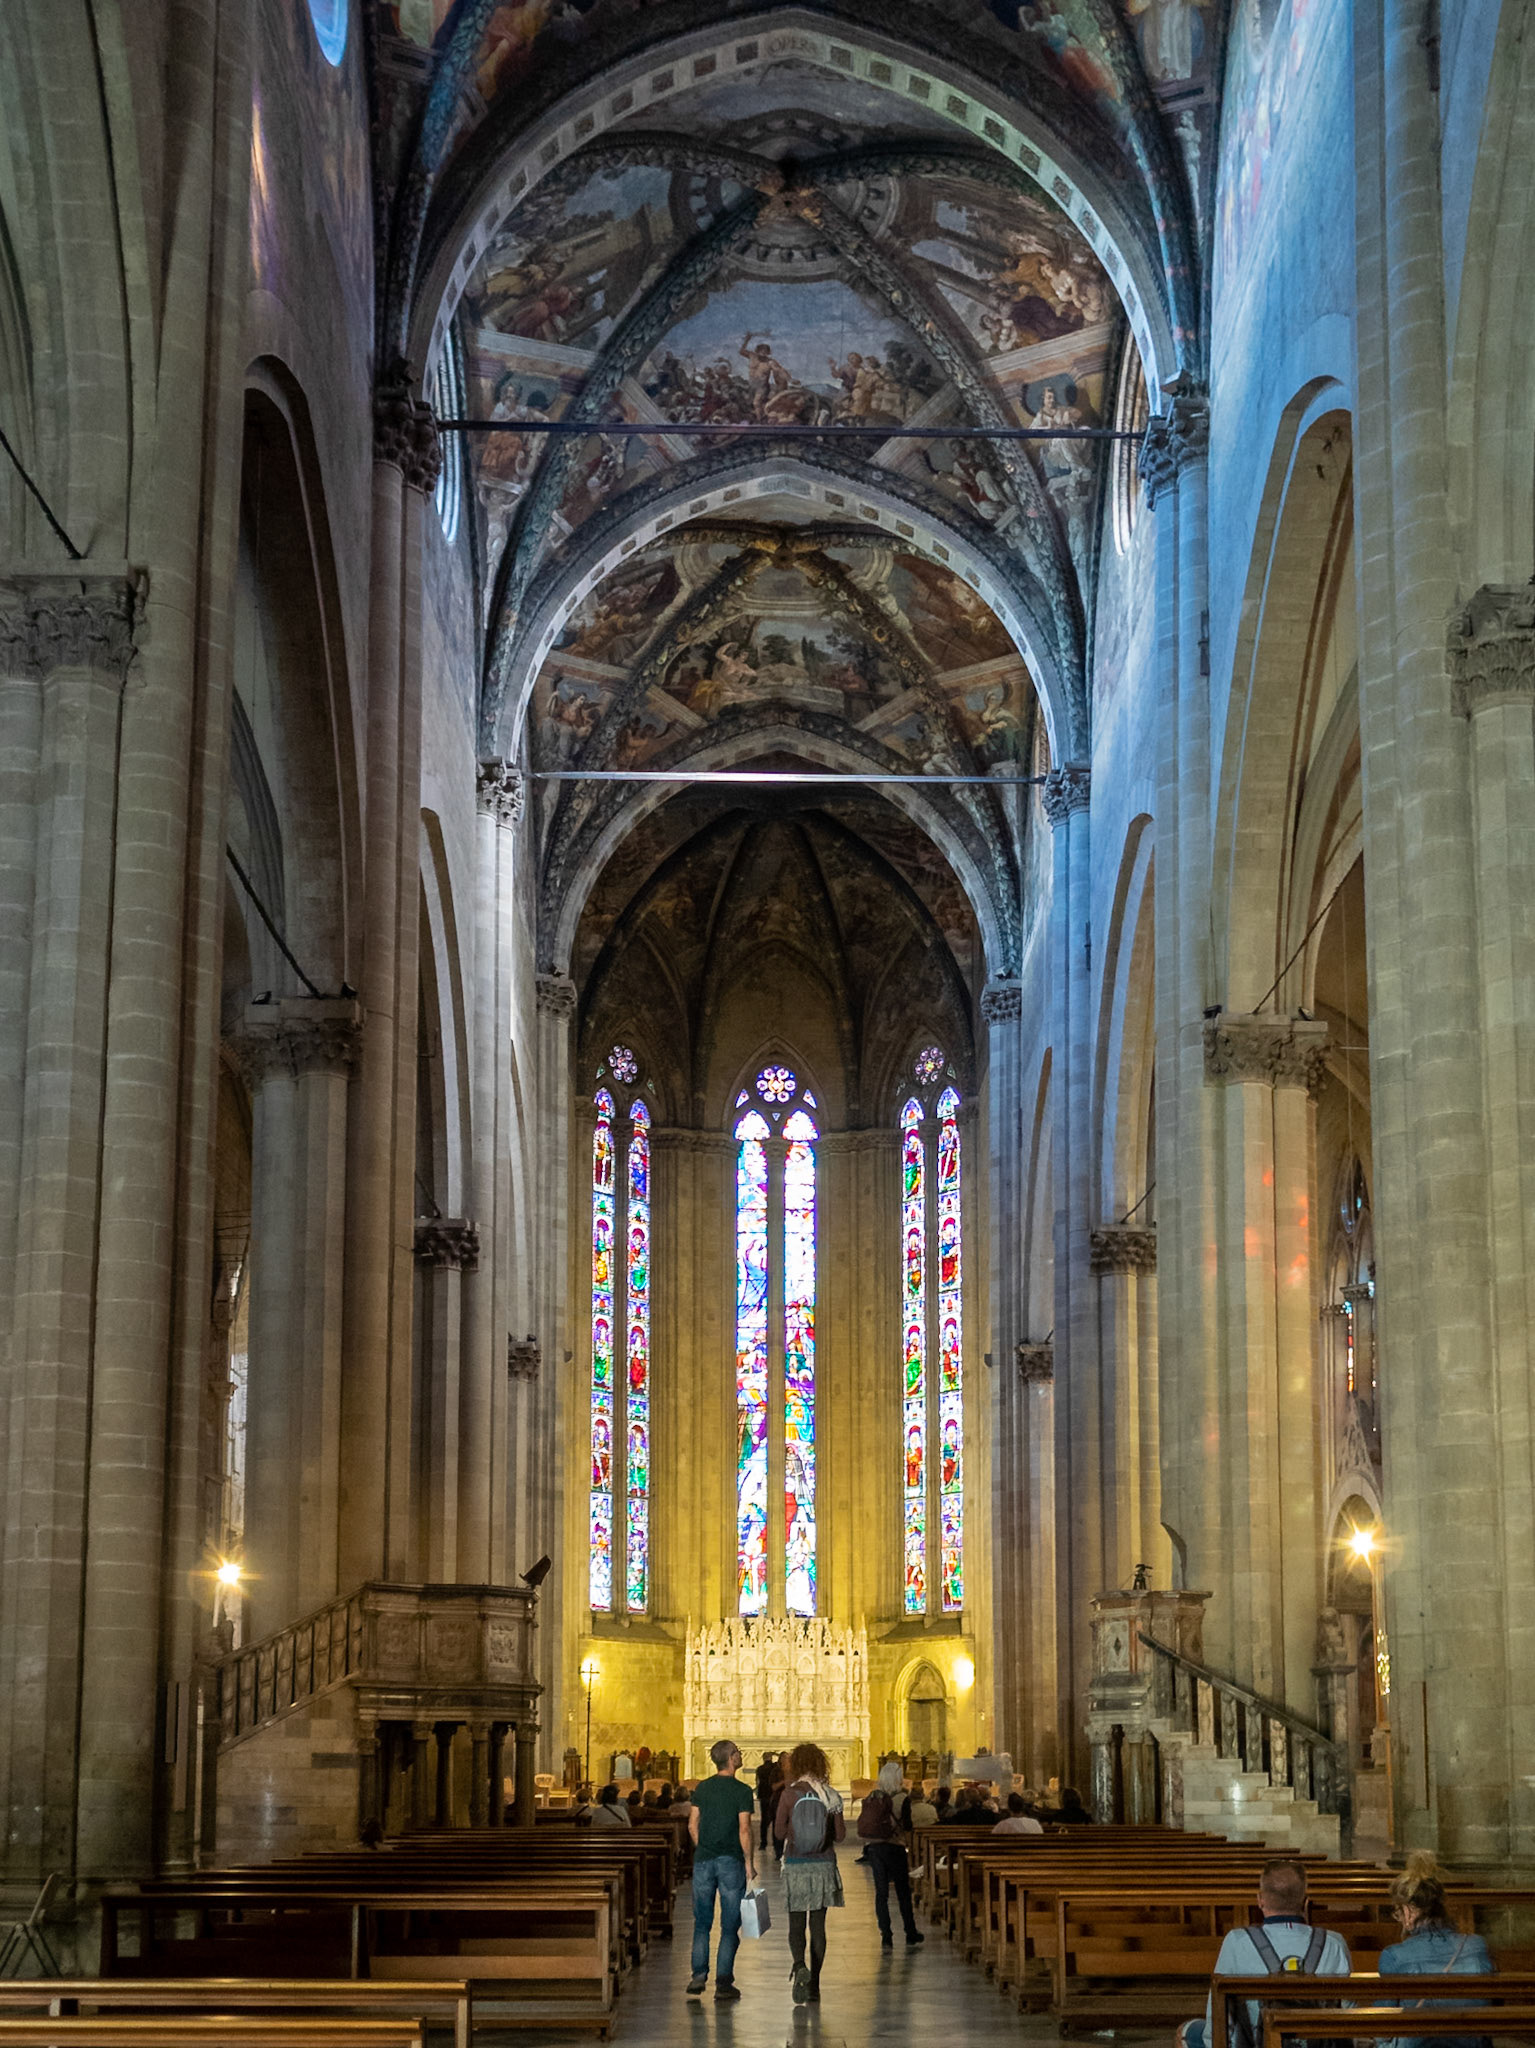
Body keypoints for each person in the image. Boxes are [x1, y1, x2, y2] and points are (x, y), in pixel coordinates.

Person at [1177, 1858, 1352, 2048]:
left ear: (1260, 1899)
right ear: (1306, 1902)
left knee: (1186, 2031)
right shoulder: (1334, 1943)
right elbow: (1348, 2008)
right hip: (1317, 2043)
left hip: (1256, 2042)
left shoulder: (1237, 1941)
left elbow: (1219, 2014)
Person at [1378, 1852, 1494, 2048]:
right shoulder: (1477, 1945)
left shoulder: (1394, 1956)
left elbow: (1383, 2027)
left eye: (1397, 1911)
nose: (1397, 1918)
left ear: (1408, 1911)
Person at [775, 1742, 847, 2005]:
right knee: (818, 1926)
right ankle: (815, 1984)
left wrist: (796, 1833)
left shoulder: (789, 1794)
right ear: (820, 1765)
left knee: (796, 1924)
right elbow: (840, 1836)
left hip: (795, 1864)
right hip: (824, 1865)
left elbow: (779, 1833)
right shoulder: (831, 1795)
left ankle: (799, 1965)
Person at [686, 1738, 756, 2003]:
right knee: (729, 1925)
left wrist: (703, 1847)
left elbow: (693, 1824)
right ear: (731, 1758)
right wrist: (749, 1864)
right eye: (737, 1752)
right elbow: (744, 1829)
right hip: (730, 1862)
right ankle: (724, 1982)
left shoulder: (702, 1788)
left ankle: (698, 1975)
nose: (740, 1755)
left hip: (703, 1860)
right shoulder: (742, 1790)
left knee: (702, 1922)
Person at [857, 1760, 924, 1950]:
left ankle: (886, 1935)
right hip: (895, 1846)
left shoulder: (873, 1796)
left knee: (881, 1893)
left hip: (875, 1847)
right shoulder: (903, 1798)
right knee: (903, 1892)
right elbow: (908, 1826)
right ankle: (910, 1932)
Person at [754, 1750, 782, 1857]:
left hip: (763, 1795)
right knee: (775, 1820)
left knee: (764, 1821)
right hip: (773, 1796)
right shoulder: (775, 1768)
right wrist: (776, 1754)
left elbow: (757, 1781)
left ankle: (763, 1843)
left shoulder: (760, 1769)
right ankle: (776, 1845)